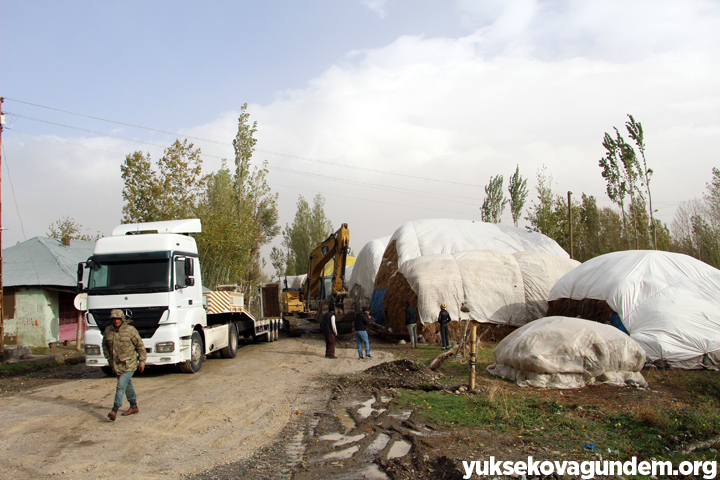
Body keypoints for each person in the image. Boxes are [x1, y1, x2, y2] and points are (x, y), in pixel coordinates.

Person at [102, 309, 146, 421]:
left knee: (121, 385)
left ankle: (114, 409)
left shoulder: (130, 330)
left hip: (129, 364)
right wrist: (109, 359)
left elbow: (140, 346)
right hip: (116, 365)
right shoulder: (108, 331)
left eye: (118, 319)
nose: (116, 321)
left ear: (122, 319)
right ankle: (134, 406)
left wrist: (141, 361)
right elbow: (105, 346)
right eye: (114, 319)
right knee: (127, 385)